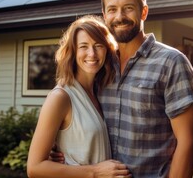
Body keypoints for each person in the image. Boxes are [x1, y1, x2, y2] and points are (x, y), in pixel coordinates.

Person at [99, 0, 193, 177]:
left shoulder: (171, 62)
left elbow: (189, 141)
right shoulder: (100, 65)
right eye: (112, 10)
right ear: (104, 15)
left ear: (143, 11)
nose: (120, 17)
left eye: (128, 8)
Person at [26, 15, 132, 178]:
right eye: (84, 46)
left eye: (98, 45)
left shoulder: (100, 92)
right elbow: (34, 168)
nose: (92, 53)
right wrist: (95, 172)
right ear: (73, 51)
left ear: (107, 49)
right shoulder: (60, 96)